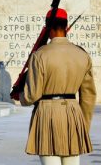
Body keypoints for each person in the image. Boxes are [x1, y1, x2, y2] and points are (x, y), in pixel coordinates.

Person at [20, 8, 96, 165]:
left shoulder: (40, 55)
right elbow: (88, 96)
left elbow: (32, 95)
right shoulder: (82, 54)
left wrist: (21, 95)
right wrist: (83, 124)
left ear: (49, 28)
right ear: (66, 27)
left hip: (48, 113)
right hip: (73, 114)